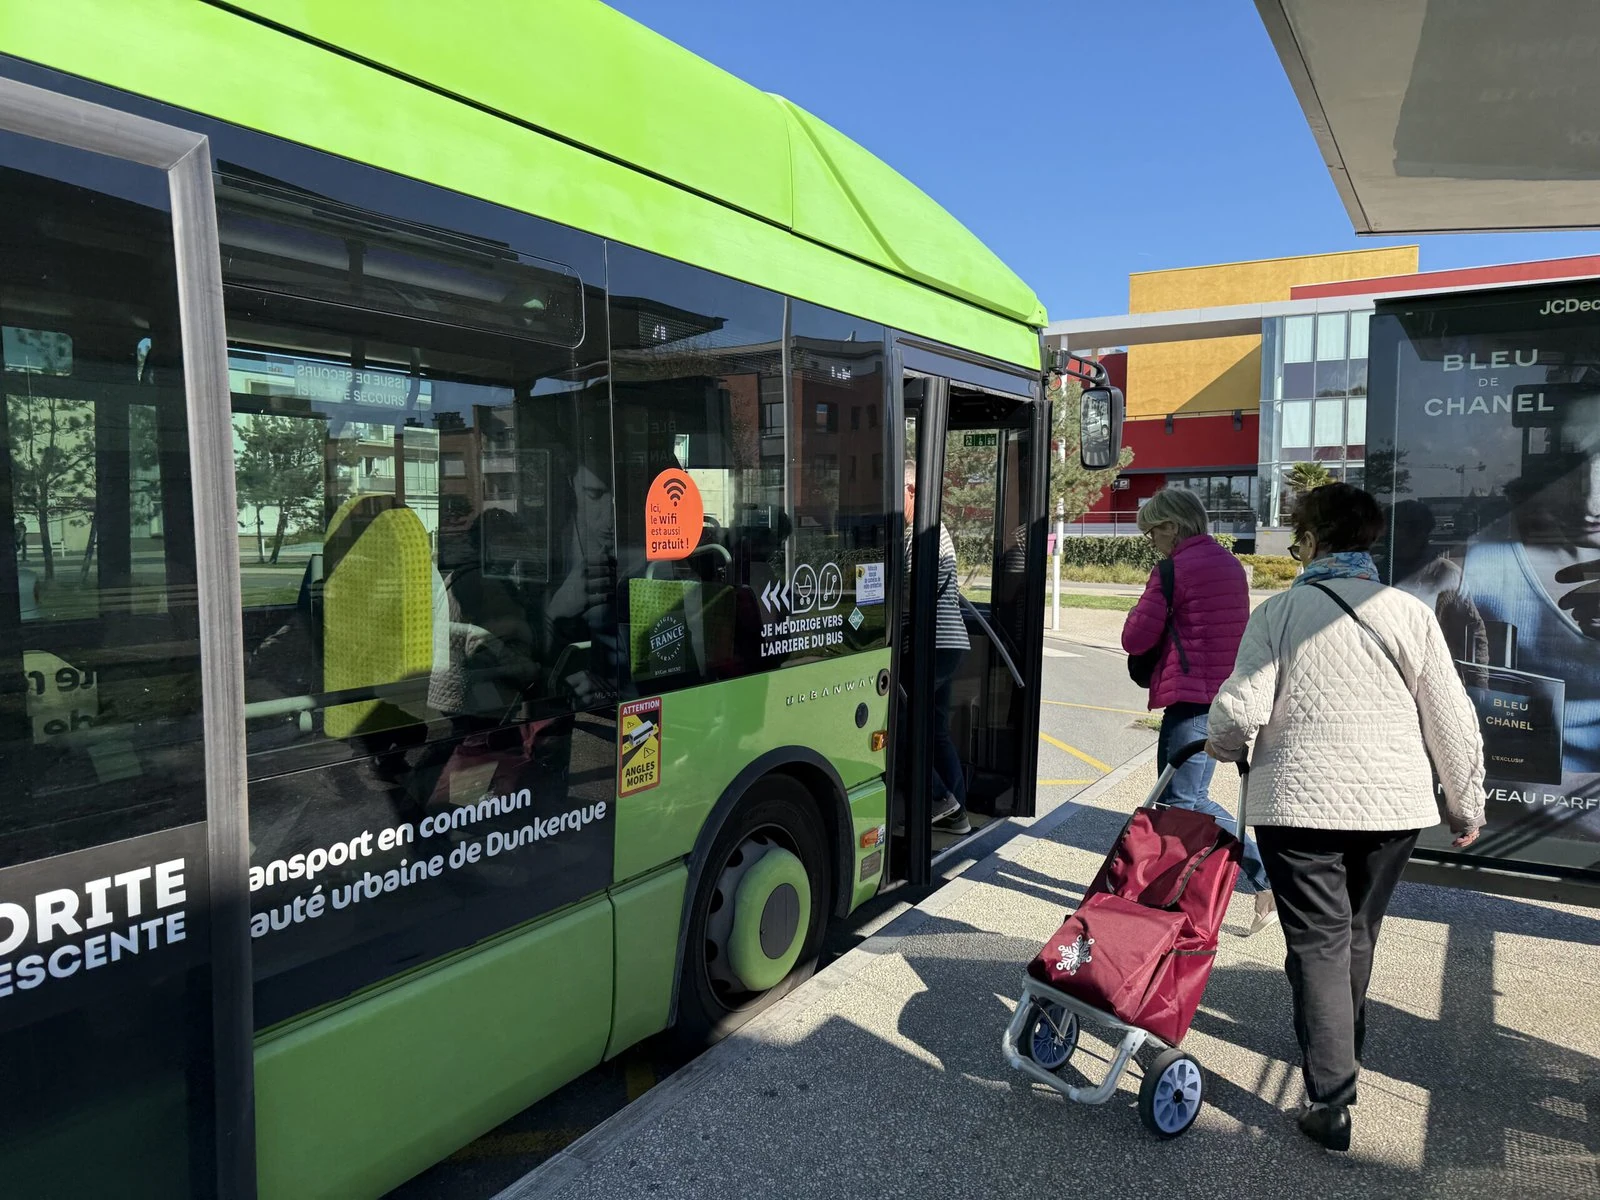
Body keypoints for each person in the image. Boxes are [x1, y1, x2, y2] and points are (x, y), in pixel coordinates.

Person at [1206, 482, 1486, 1152]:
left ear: (1310, 538)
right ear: (1369, 539)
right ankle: (1341, 1045)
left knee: (1317, 943)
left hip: (1298, 805)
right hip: (1393, 808)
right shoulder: (1408, 613)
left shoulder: (1280, 612)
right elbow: (1450, 716)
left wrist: (1219, 743)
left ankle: (1331, 1095)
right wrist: (1464, 800)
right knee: (1357, 932)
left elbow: (1240, 710)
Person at [1122, 487, 1274, 933]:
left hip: (1189, 701)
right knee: (1189, 800)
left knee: (1181, 800)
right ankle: (1186, 894)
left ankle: (1268, 878)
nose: (1151, 541)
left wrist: (1141, 605)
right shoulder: (1228, 563)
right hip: (1222, 696)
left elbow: (1135, 639)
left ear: (1171, 526)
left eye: (1152, 532)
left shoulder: (1174, 569)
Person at [903, 462, 971, 835]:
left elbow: (917, 591)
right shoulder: (916, 531)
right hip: (945, 642)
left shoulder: (927, 532)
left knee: (902, 726)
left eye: (896, 494)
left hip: (936, 643)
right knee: (935, 731)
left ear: (912, 490)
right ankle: (957, 814)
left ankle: (940, 798)